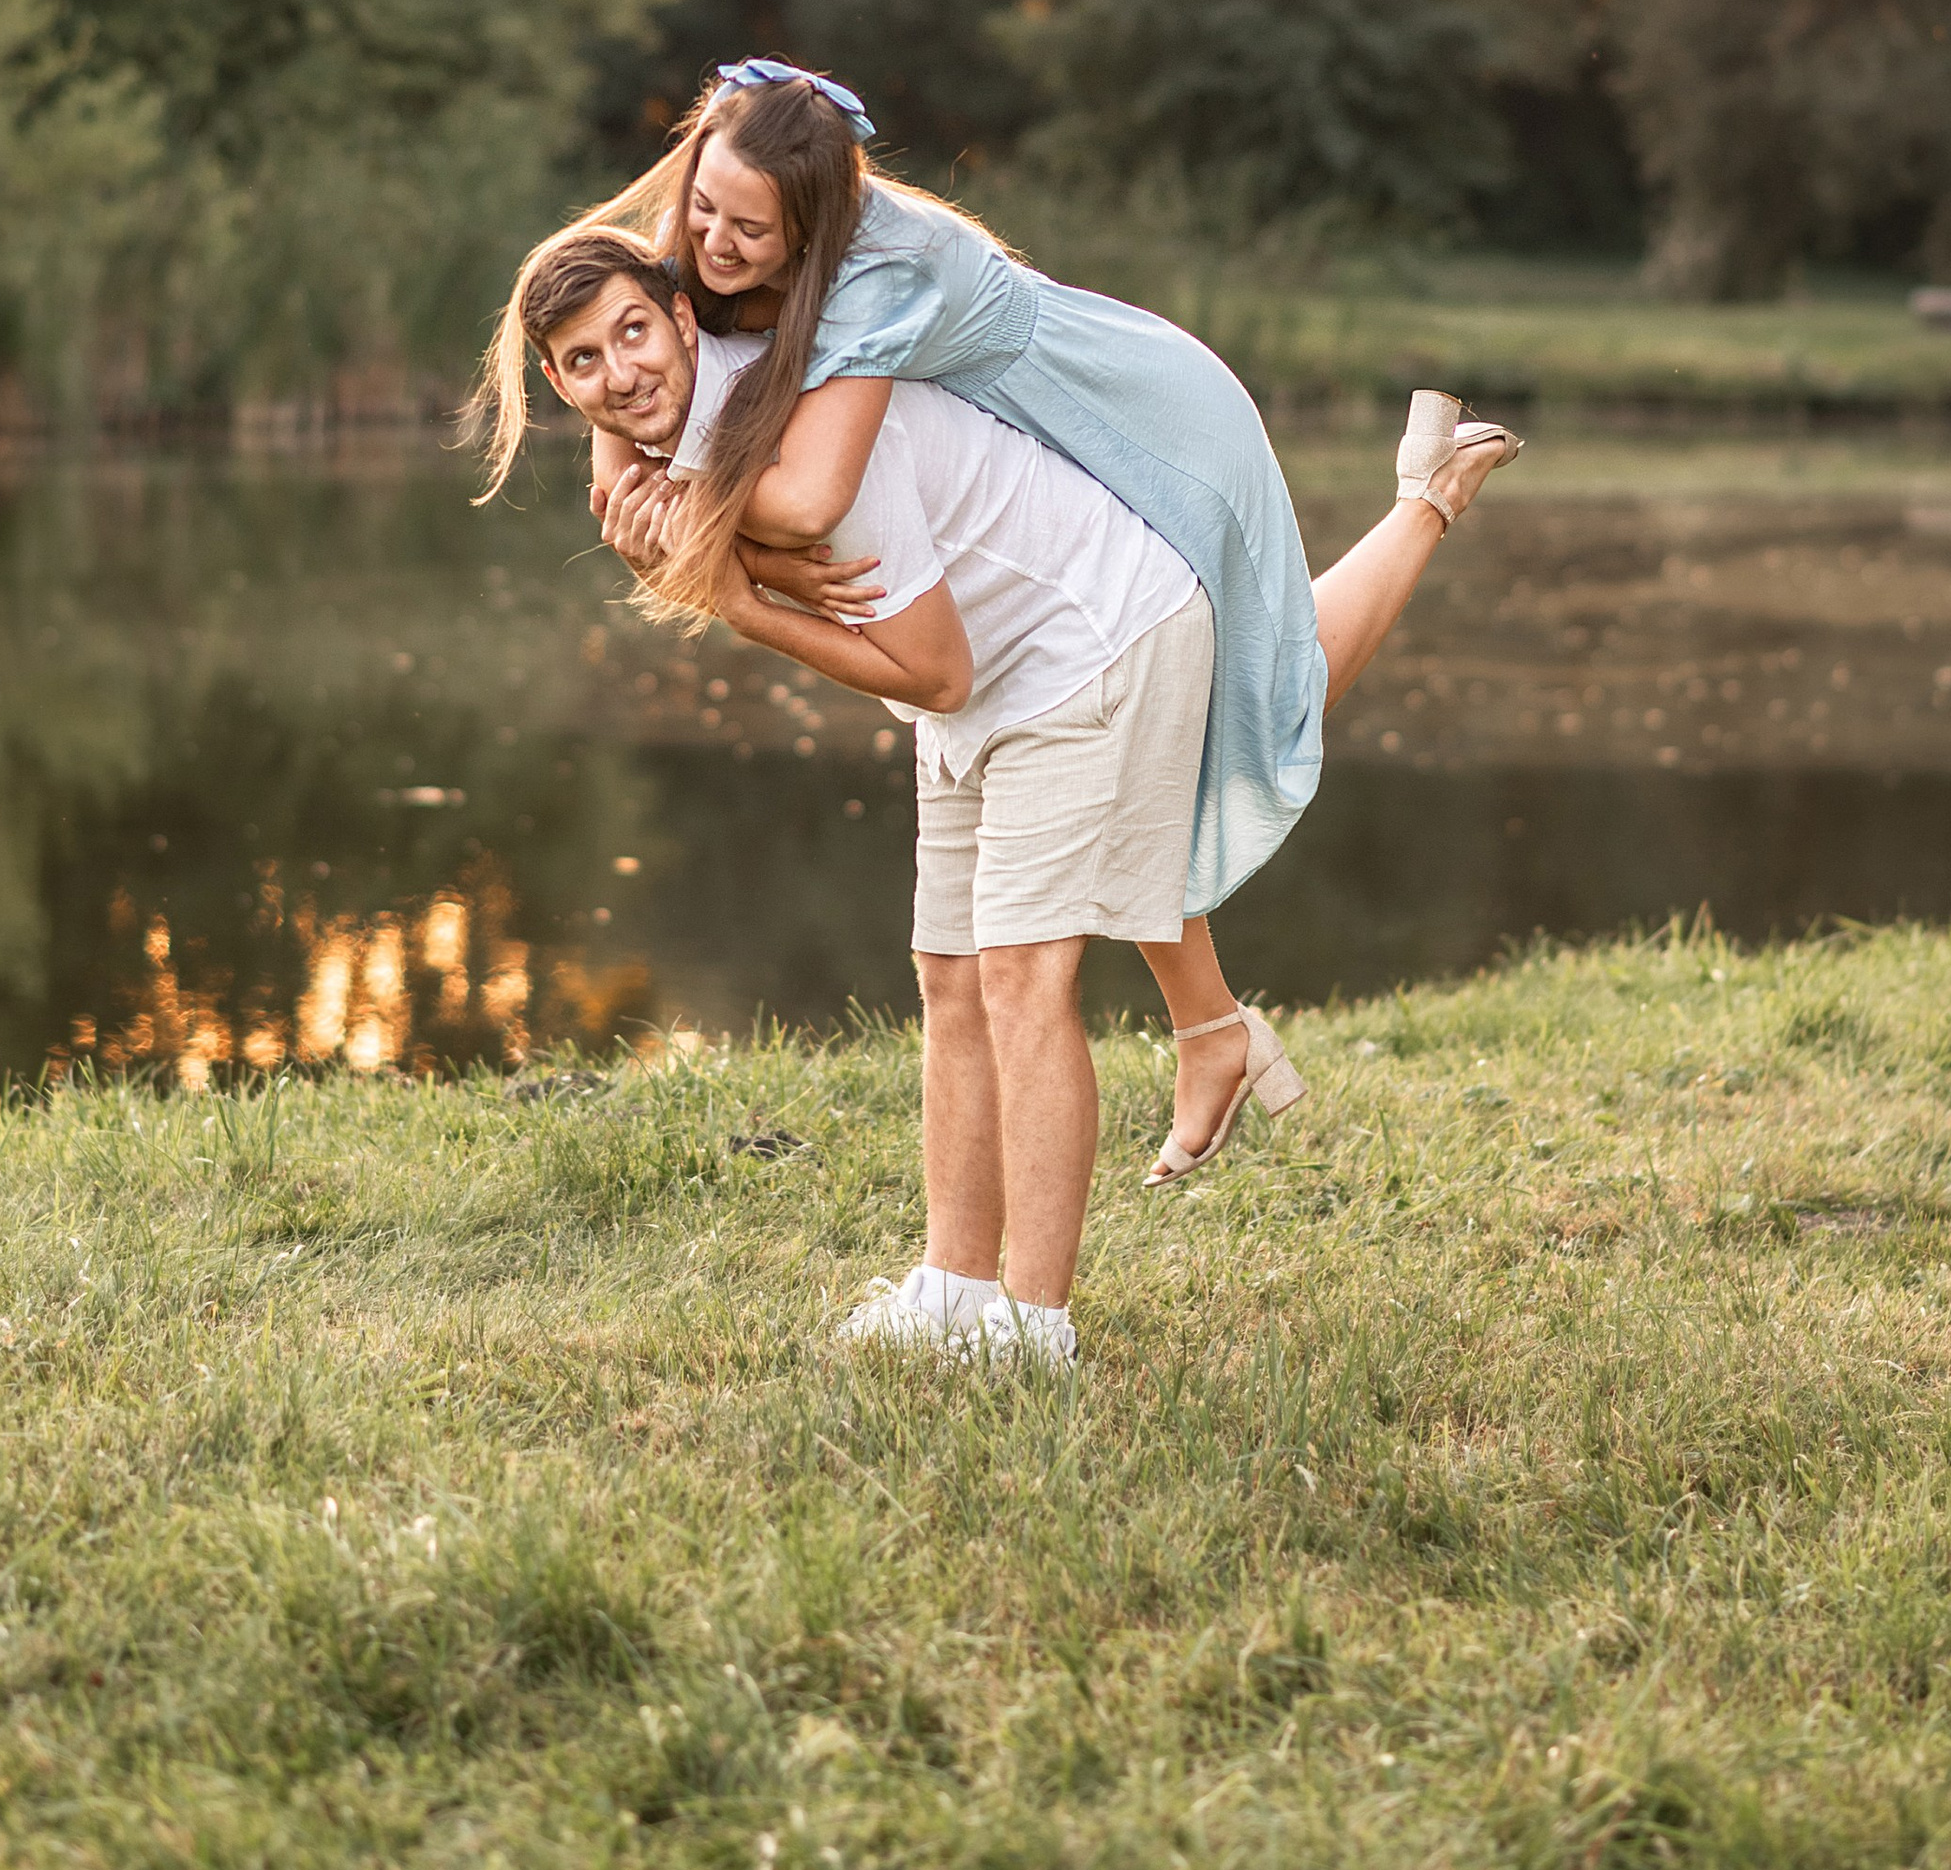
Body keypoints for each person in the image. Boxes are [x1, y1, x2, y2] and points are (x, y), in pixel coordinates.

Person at [485, 219, 1516, 1364]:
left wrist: (737, 601)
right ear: (553, 382)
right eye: (584, 361)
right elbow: (647, 471)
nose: (620, 373)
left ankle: (1035, 1321)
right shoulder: (664, 426)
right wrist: (679, 541)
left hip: (1085, 646)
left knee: (1025, 975)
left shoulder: (806, 436)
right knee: (949, 976)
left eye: (636, 330)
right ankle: (951, 1285)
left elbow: (932, 665)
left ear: (684, 316)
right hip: (984, 689)